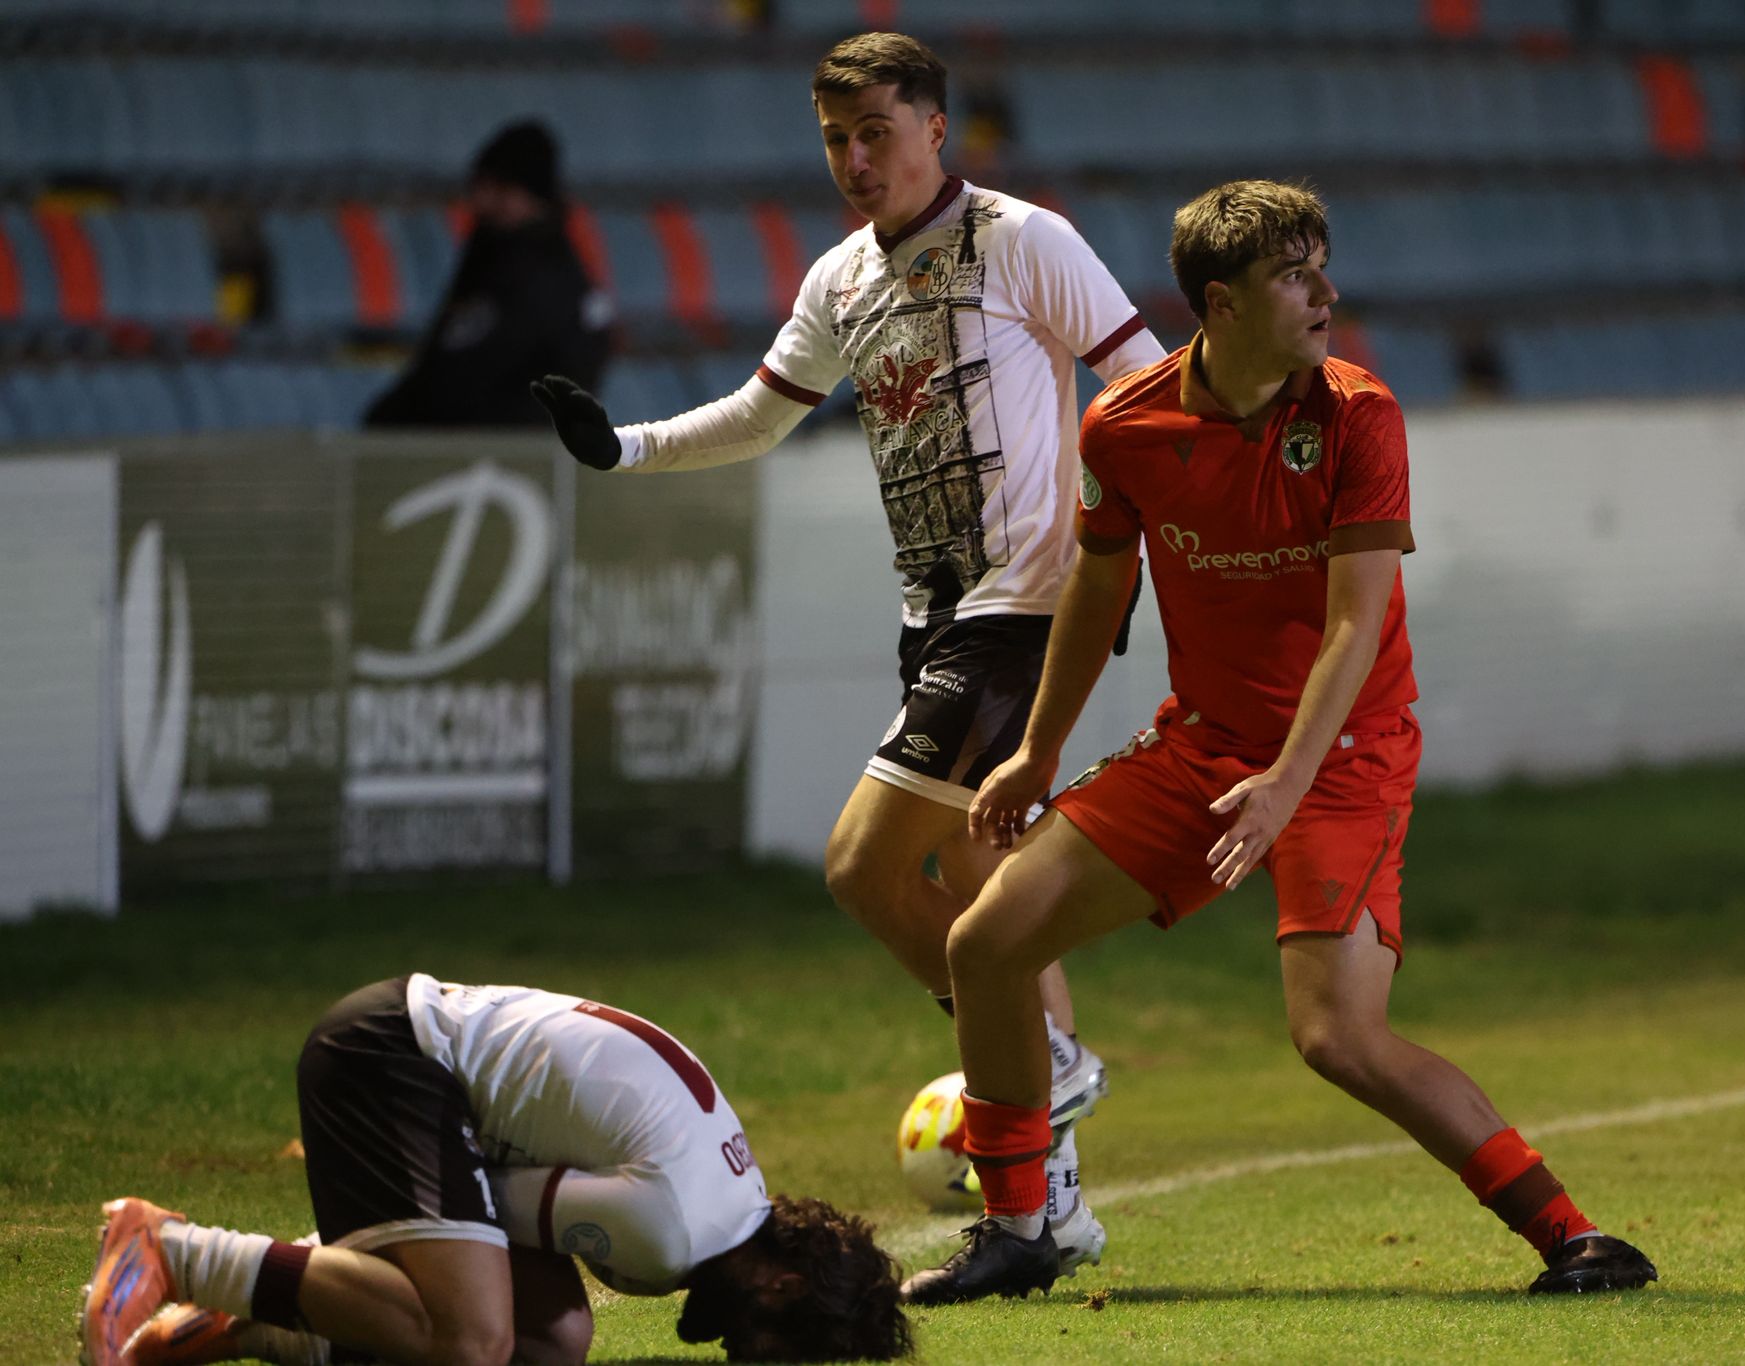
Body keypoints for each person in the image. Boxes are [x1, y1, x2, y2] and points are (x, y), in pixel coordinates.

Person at [899, 181, 1660, 1304]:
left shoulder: (1356, 414)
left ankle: (1577, 1237)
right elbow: (1095, 594)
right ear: (1222, 301)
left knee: (1335, 1036)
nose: (1326, 293)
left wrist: (1283, 784)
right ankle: (1018, 1230)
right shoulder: (1123, 427)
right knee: (987, 939)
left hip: (1342, 753)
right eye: (1296, 275)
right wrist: (1037, 753)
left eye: (1321, 266)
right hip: (1205, 746)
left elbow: (1355, 622)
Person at [531, 32, 1162, 1276]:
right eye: (834, 138)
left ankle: (1044, 1073)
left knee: (863, 865)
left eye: (877, 131)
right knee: (998, 900)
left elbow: (1142, 383)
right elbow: (763, 412)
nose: (855, 159)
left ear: (938, 126)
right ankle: (1043, 1220)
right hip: (937, 615)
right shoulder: (839, 278)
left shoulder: (1022, 240)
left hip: (1024, 606)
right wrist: (628, 450)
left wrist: (1117, 545)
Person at [80, 974, 910, 1365]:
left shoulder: (730, 1195)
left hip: (422, 1066)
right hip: (392, 1057)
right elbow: (489, 1206)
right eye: (779, 1351)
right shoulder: (672, 1235)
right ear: (785, 1287)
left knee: (551, 1346)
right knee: (471, 1339)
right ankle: (168, 1248)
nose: (741, 1355)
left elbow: (494, 1203)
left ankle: (228, 1323)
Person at [364, 120, 611, 428]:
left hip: (497, 455)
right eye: (481, 185)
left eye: (498, 187)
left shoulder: (546, 281)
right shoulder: (492, 253)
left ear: (529, 196)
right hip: (469, 448)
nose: (481, 200)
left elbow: (465, 374)